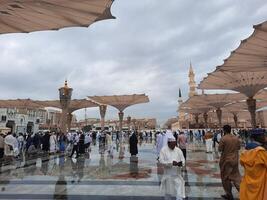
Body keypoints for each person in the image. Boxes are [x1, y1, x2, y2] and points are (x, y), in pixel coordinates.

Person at [240, 129, 267, 200]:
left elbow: (242, 163)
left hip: (249, 179)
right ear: (257, 137)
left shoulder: (246, 150)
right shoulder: (260, 151)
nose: (265, 137)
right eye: (263, 136)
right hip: (260, 180)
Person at [218, 125, 241, 200]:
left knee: (225, 177)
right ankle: (243, 192)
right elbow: (239, 147)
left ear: (224, 130)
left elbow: (220, 149)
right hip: (235, 159)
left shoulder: (223, 138)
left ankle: (229, 194)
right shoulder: (236, 138)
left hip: (226, 160)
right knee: (236, 177)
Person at [159, 136, 186, 200]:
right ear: (168, 143)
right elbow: (161, 161)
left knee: (179, 193)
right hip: (168, 176)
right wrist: (171, 163)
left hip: (177, 175)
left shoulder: (178, 150)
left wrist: (181, 163)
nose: (174, 146)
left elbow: (183, 159)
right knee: (168, 193)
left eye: (175, 144)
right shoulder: (163, 150)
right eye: (172, 144)